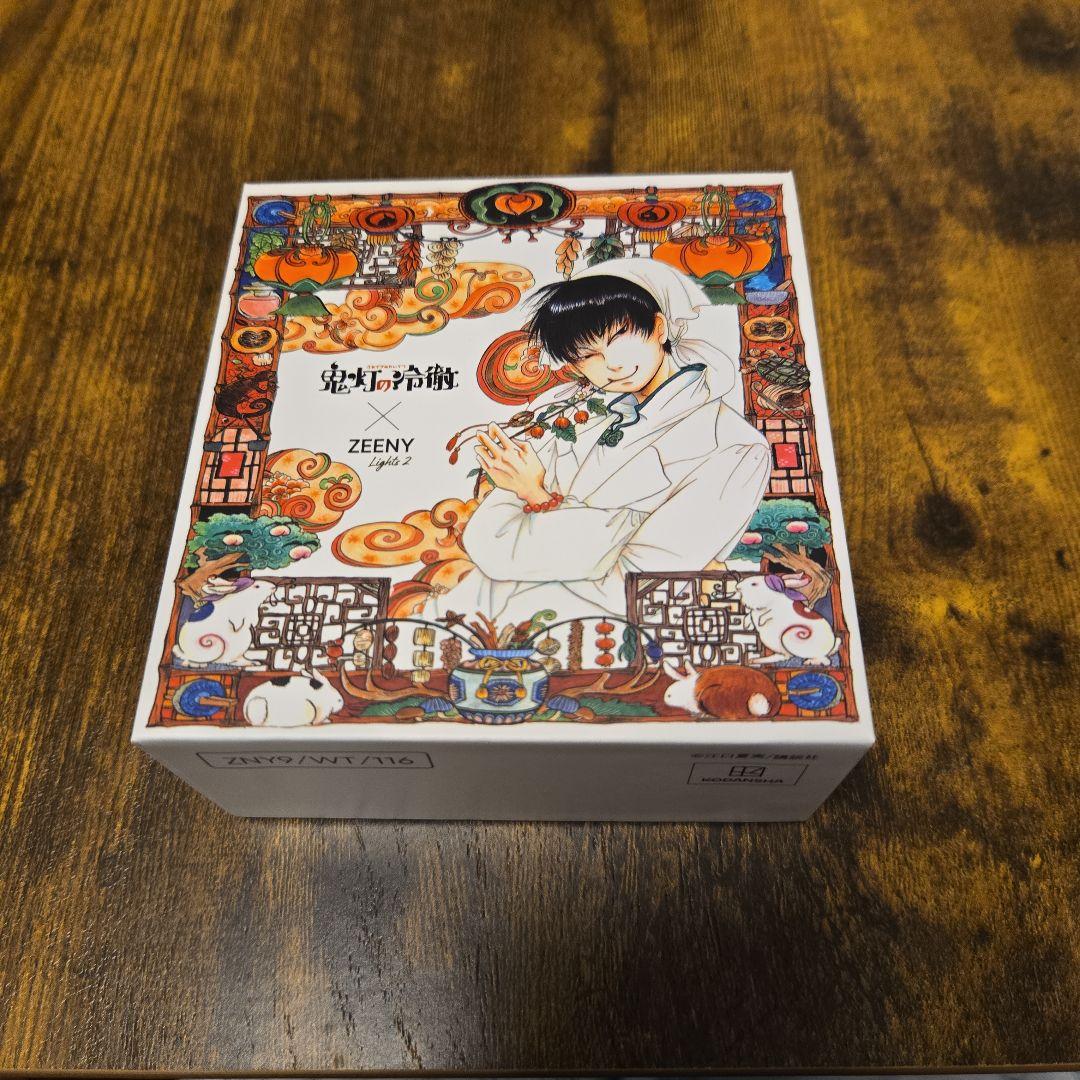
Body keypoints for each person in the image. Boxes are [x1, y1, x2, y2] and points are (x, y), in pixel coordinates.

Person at [436, 257, 770, 626]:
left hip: (586, 625)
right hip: (483, 607)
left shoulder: (733, 447)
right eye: (586, 355)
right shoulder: (578, 419)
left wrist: (537, 496)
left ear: (659, 328)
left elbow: (635, 581)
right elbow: (490, 542)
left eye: (618, 339)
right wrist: (609, 533)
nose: (610, 363)